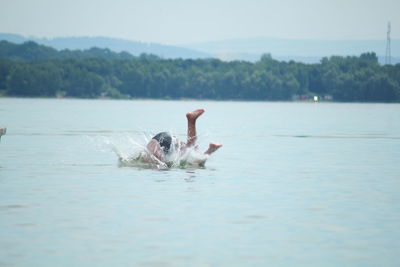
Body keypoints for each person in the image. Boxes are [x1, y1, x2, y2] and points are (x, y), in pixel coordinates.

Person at [143, 109, 222, 166]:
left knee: (190, 158)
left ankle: (192, 121)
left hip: (159, 145)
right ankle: (192, 121)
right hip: (162, 136)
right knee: (189, 153)